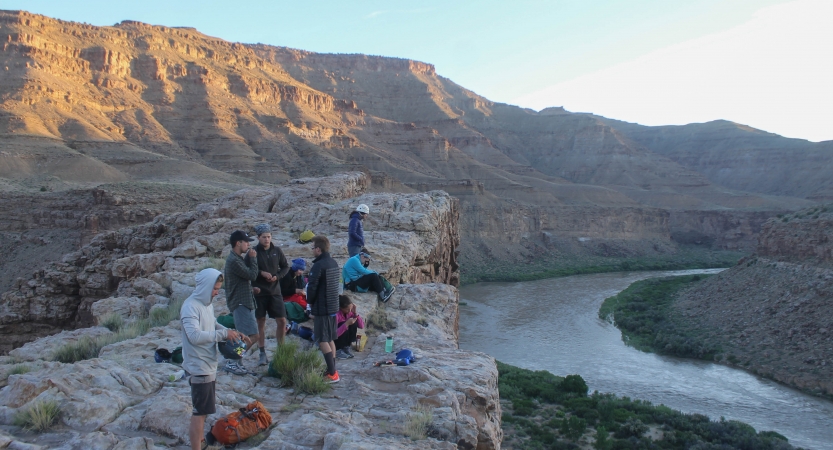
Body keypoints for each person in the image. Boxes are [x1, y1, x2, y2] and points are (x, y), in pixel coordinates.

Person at [180, 268, 251, 450]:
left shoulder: (206, 304)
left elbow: (212, 323)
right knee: (199, 412)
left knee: (203, 411)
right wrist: (222, 334)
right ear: (205, 286)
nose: (217, 292)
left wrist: (232, 333)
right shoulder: (190, 307)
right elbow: (194, 336)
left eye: (218, 288)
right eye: (215, 288)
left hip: (208, 364)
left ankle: (201, 443)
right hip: (198, 366)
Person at [252, 223, 290, 365]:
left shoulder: (277, 251)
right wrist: (261, 273)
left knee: (282, 321)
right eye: (263, 237)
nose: (266, 239)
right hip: (260, 292)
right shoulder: (253, 252)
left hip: (275, 292)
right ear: (258, 238)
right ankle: (262, 352)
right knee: (260, 321)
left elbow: (286, 267)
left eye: (268, 236)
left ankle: (281, 351)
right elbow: (248, 271)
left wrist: (278, 276)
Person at [223, 230, 260, 375]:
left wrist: (250, 289)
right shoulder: (234, 260)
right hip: (240, 303)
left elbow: (241, 280)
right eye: (246, 242)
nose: (248, 245)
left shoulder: (236, 259)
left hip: (244, 300)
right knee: (253, 336)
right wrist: (253, 259)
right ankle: (233, 361)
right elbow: (252, 274)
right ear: (238, 243)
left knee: (244, 337)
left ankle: (236, 362)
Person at [306, 235, 341, 383]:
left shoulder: (318, 266)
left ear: (318, 249)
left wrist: (310, 303)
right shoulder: (333, 263)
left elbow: (312, 287)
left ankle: (332, 373)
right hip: (333, 306)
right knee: (330, 338)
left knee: (321, 340)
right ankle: (332, 369)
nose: (312, 250)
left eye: (313, 248)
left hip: (322, 307)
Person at [335, 295, 364, 359]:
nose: (349, 311)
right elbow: (334, 334)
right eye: (347, 309)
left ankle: (346, 347)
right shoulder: (336, 315)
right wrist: (346, 324)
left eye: (351, 308)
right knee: (343, 324)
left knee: (354, 322)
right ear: (341, 308)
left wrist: (355, 313)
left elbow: (361, 326)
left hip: (344, 339)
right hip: (335, 340)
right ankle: (337, 351)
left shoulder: (350, 313)